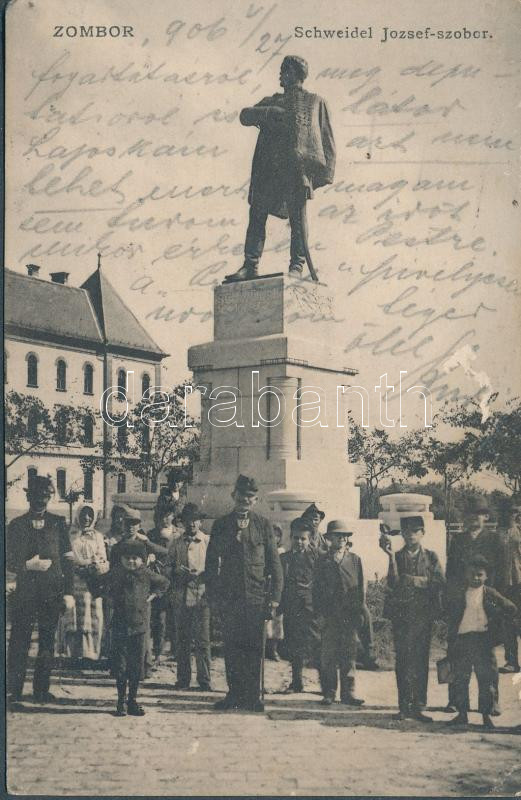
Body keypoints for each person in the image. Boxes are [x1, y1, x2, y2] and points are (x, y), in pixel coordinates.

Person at [225, 55, 335, 282]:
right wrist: (268, 113)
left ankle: (297, 266)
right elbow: (245, 116)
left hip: (296, 170)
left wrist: (323, 175)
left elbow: (327, 139)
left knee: (298, 219)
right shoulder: (271, 101)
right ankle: (250, 265)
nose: (281, 74)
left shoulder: (315, 102)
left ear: (296, 74)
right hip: (268, 168)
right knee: (257, 214)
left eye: (285, 70)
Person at [206, 474, 283, 712]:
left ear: (256, 499)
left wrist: (274, 599)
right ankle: (234, 695)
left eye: (250, 496)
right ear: (234, 496)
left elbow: (275, 566)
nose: (245, 500)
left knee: (253, 648)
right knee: (232, 648)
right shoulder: (221, 525)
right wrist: (214, 597)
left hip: (256, 599)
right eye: (241, 495)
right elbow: (211, 565)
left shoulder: (263, 525)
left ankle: (252, 696)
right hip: (230, 599)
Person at [7, 475, 74, 704]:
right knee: (19, 641)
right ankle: (13, 690)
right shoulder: (16, 525)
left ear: (49, 497)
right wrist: (26, 566)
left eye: (45, 496)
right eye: (36, 495)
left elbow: (68, 561)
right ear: (29, 497)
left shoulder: (58, 523)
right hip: (24, 593)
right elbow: (7, 559)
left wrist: (69, 592)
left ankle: (41, 690)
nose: (41, 500)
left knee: (47, 642)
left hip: (51, 593)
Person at [93, 539, 170, 716]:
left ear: (142, 560)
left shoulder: (146, 574)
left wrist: (154, 595)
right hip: (120, 626)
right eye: (127, 558)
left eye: (135, 558)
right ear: (121, 559)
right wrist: (107, 595)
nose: (131, 561)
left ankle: (133, 701)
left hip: (139, 627)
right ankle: (121, 701)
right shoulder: (115, 573)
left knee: (136, 666)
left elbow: (165, 582)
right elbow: (97, 583)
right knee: (120, 666)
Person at [381, 516, 445, 722]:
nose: (410, 535)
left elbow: (439, 581)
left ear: (422, 533)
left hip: (423, 617)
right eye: (406, 532)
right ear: (402, 534)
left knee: (420, 660)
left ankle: (418, 706)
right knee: (403, 660)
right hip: (402, 616)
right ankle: (404, 706)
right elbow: (393, 583)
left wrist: (414, 581)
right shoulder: (397, 556)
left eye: (415, 531)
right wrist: (390, 557)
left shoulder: (431, 557)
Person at [446, 555, 518, 729]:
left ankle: (486, 715)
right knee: (460, 677)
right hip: (463, 639)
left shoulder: (490, 593)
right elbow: (448, 611)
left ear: (486, 576)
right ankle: (462, 714)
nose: (476, 578)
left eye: (480, 574)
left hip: (483, 640)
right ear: (465, 574)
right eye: (472, 574)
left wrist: (496, 622)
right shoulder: (459, 593)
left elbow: (511, 608)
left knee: (487, 678)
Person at [445, 498, 502, 711]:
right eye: (469, 514)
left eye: (478, 514)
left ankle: (491, 702)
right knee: (457, 653)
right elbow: (450, 572)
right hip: (461, 602)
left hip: (485, 601)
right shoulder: (458, 540)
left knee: (487, 658)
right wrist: (451, 599)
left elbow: (500, 573)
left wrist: (494, 600)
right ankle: (456, 701)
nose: (473, 518)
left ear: (485, 516)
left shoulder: (494, 540)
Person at [313, 519, 365, 707]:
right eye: (337, 536)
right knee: (328, 656)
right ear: (329, 538)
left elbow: (360, 590)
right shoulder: (322, 561)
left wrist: (360, 612)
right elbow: (316, 590)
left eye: (344, 536)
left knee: (349, 655)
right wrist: (319, 615)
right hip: (329, 615)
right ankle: (329, 692)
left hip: (349, 615)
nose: (342, 539)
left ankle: (348, 693)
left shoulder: (355, 560)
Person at [169, 503, 212, 691]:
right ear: (183, 522)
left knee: (202, 640)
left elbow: (216, 567)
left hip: (202, 595)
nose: (192, 524)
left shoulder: (207, 542)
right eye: (188, 520)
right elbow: (168, 566)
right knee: (182, 639)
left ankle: (205, 679)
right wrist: (177, 571)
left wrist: (203, 573)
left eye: (195, 520)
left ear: (201, 522)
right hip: (181, 595)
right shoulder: (177, 543)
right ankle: (183, 678)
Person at [61, 504, 109, 661]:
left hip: (91, 581)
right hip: (73, 580)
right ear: (78, 516)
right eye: (83, 514)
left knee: (91, 614)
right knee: (73, 614)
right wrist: (77, 566)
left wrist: (91, 567)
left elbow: (102, 558)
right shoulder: (70, 534)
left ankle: (90, 653)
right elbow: (65, 556)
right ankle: (72, 653)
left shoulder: (98, 536)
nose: (87, 518)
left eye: (90, 515)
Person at [279, 517, 318, 692]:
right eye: (296, 538)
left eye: (303, 538)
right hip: (291, 608)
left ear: (310, 540)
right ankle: (297, 682)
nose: (299, 542)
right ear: (290, 537)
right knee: (294, 645)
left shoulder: (317, 558)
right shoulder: (284, 559)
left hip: (312, 609)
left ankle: (327, 686)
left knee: (317, 644)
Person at [147, 504, 180, 665]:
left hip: (175, 580)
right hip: (159, 579)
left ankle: (176, 650)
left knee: (175, 616)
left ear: (173, 516)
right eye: (162, 515)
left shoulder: (179, 534)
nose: (165, 519)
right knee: (159, 618)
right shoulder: (152, 534)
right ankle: (158, 652)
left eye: (168, 515)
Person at [496, 502, 521, 673]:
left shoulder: (519, 532)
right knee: (507, 623)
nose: (511, 515)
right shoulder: (496, 535)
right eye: (508, 512)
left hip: (520, 582)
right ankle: (512, 662)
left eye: (514, 512)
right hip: (504, 584)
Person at [265, 524, 285, 662]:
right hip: (265, 587)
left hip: (276, 588)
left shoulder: (281, 552)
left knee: (277, 620)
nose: (274, 538)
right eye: (271, 536)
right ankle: (264, 648)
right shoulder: (264, 550)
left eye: (277, 536)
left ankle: (274, 649)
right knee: (265, 621)